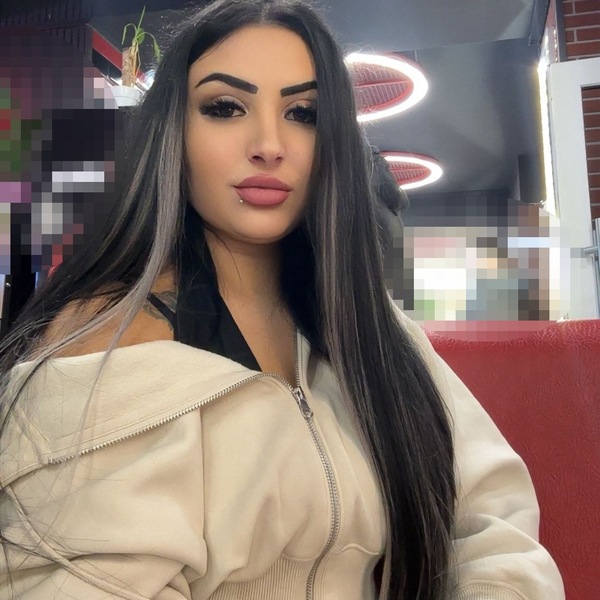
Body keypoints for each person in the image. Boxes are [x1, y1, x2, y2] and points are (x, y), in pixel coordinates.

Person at [0, 1, 564, 599]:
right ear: (173, 133)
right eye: (225, 107)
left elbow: (491, 524)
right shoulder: (105, 346)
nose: (269, 145)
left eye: (303, 113)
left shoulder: (374, 329)